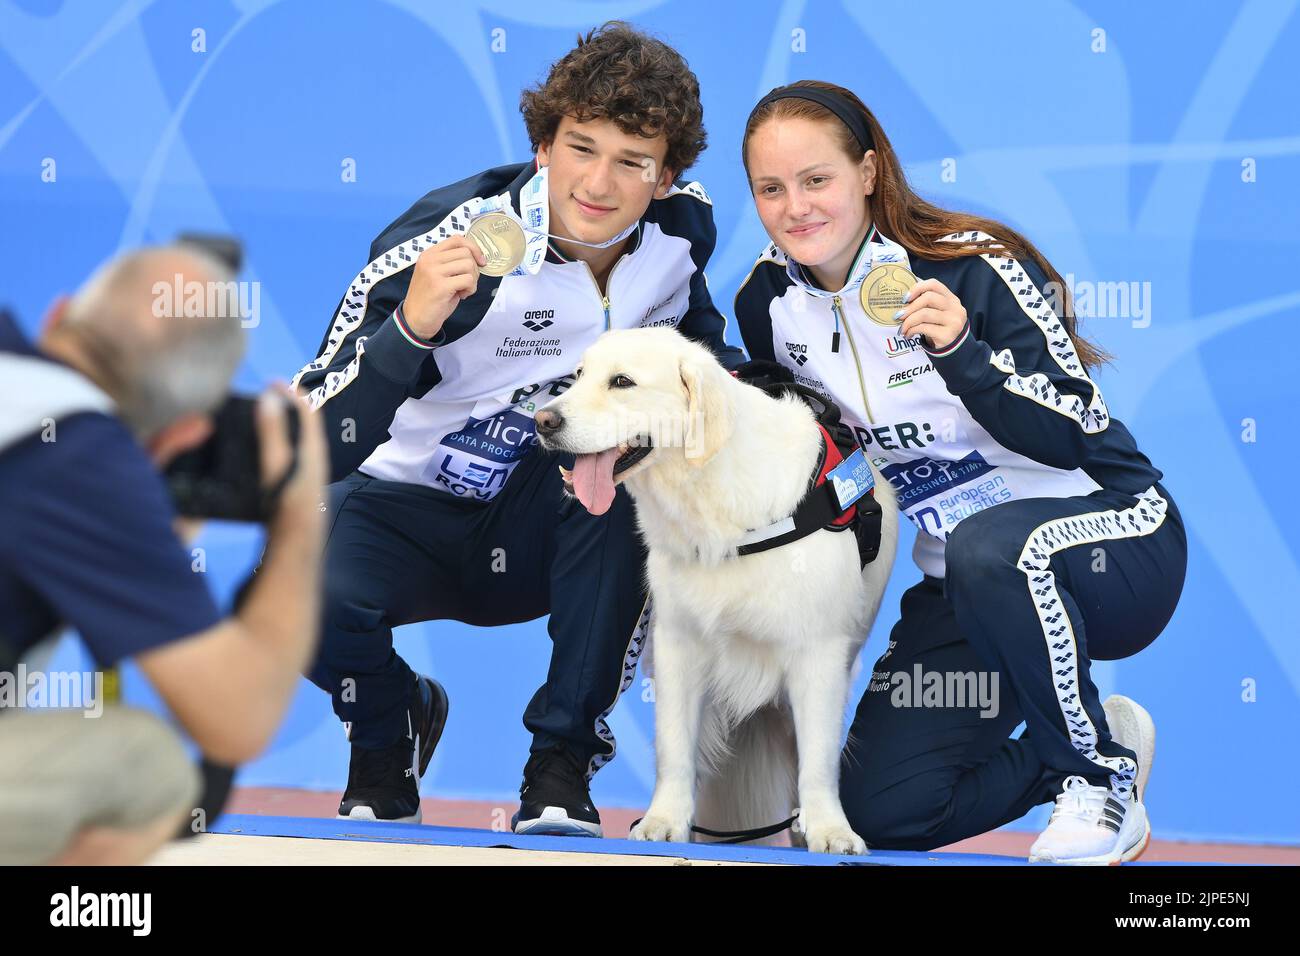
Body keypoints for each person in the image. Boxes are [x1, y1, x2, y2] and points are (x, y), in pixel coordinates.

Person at [293, 22, 745, 835]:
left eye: (632, 161)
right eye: (581, 147)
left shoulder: (680, 234)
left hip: (552, 525)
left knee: (623, 472)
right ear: (542, 146)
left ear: (666, 177)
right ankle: (386, 728)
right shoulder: (445, 242)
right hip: (406, 514)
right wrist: (412, 331)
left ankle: (561, 766)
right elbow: (317, 440)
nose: (599, 183)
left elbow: (701, 351)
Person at [733, 81, 1187, 864]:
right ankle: (1096, 744)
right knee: (881, 810)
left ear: (868, 173)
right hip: (967, 582)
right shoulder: (767, 301)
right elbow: (830, 459)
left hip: (1117, 537)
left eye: (816, 180)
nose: (795, 207)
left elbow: (1079, 428)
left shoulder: (972, 266)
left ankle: (1097, 783)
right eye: (771, 189)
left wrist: (964, 358)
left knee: (989, 544)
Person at [0, 245, 327, 864]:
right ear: (184, 435)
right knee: (147, 768)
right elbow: (236, 718)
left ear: (57, 316)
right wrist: (297, 518)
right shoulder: (81, 460)